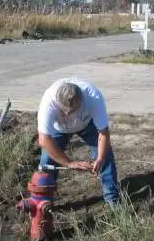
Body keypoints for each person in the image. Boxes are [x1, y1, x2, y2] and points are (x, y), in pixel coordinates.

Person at [36, 77, 119, 206]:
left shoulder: (93, 97)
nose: (67, 115)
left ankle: (112, 200)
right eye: (64, 111)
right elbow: (44, 140)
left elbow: (104, 133)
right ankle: (43, 205)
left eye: (71, 111)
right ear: (57, 102)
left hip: (87, 124)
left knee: (105, 156)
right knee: (46, 163)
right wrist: (69, 163)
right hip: (59, 129)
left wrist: (100, 157)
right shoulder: (49, 101)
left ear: (81, 102)